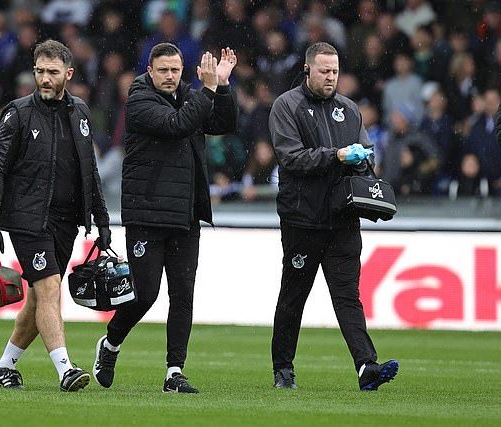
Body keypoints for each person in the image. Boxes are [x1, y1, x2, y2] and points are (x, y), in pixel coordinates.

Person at [92, 43, 238, 394]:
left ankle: (174, 372)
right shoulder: (139, 101)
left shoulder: (190, 95)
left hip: (185, 213)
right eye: (164, 71)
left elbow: (223, 122)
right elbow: (177, 125)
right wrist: (207, 89)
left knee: (183, 295)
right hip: (148, 212)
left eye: (175, 70)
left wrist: (223, 85)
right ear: (150, 71)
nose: (171, 77)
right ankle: (110, 344)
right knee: (144, 295)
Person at [268, 42, 398, 391]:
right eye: (324, 71)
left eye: (335, 71)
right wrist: (337, 155)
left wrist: (364, 159)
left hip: (343, 218)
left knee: (347, 296)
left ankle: (366, 367)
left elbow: (367, 155)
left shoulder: (349, 109)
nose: (331, 77)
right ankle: (283, 369)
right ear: (308, 70)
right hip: (302, 218)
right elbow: (291, 158)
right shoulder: (286, 106)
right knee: (294, 295)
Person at [0, 39, 111, 392]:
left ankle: (5, 365)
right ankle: (66, 369)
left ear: (68, 74)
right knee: (50, 288)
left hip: (66, 221)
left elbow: (90, 171)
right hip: (28, 219)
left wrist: (102, 221)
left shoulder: (81, 112)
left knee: (41, 297)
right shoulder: (18, 113)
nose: (44, 79)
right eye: (39, 71)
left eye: (52, 72)